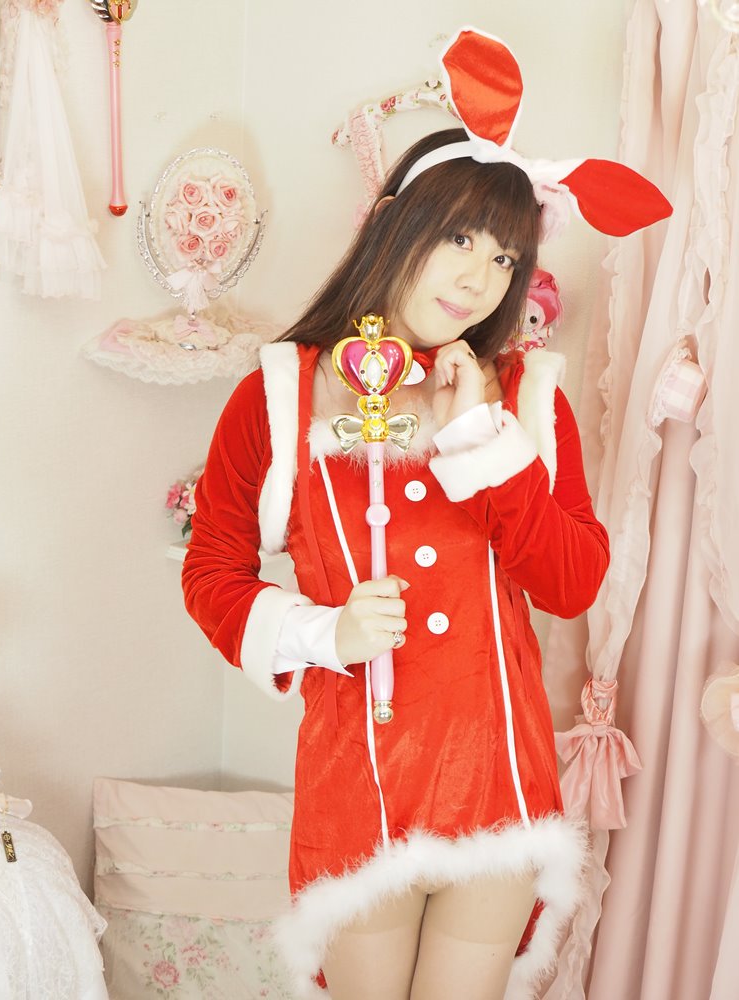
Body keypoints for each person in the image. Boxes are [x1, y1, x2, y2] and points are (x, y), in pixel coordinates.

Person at [182, 27, 672, 1000]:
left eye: (504, 257)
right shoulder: (278, 394)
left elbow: (572, 582)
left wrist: (482, 438)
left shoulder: (527, 396)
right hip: (358, 782)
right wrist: (324, 631)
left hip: (499, 780)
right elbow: (213, 571)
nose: (478, 277)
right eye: (458, 238)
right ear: (393, 226)